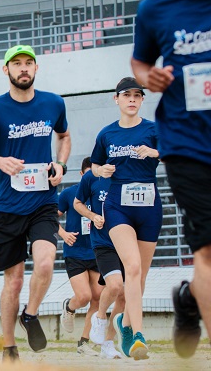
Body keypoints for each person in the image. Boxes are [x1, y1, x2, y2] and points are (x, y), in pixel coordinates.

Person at [130, 0, 211, 359]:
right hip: (187, 144)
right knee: (209, 250)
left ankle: (190, 300)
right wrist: (151, 78)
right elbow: (140, 62)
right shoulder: (157, 8)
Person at [0, 44, 71, 362]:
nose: (23, 68)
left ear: (36, 69)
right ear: (6, 70)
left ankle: (31, 313)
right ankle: (10, 347)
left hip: (42, 201)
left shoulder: (53, 103)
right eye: (17, 64)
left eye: (29, 63)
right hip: (8, 207)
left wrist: (61, 165)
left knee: (44, 262)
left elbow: (64, 137)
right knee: (13, 280)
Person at [89, 77, 162, 360]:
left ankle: (124, 323)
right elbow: (94, 165)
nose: (132, 99)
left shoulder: (153, 130)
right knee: (131, 267)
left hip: (149, 208)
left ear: (142, 100)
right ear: (116, 99)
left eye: (137, 95)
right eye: (126, 95)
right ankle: (138, 336)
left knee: (139, 277)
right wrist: (100, 171)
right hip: (118, 207)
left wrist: (154, 152)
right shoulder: (107, 134)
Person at [73, 158, 125, 360]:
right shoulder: (91, 177)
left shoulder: (128, 175)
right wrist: (93, 216)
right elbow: (77, 203)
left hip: (126, 243)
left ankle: (108, 344)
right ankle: (100, 317)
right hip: (103, 243)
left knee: (124, 297)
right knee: (114, 286)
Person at [57, 157, 102, 357]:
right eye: (90, 174)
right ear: (83, 175)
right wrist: (63, 233)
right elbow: (50, 216)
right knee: (84, 296)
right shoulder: (68, 194)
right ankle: (69, 306)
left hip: (97, 251)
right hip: (75, 252)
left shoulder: (103, 194)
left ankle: (84, 342)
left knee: (98, 298)